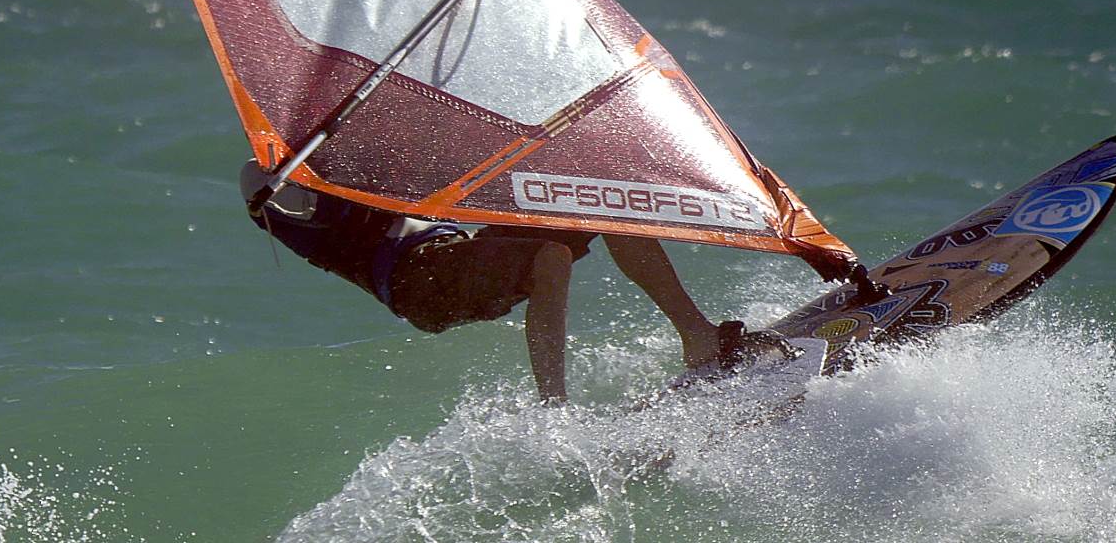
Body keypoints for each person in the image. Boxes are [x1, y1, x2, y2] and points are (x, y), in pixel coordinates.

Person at [240, 162, 751, 403]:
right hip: (417, 279)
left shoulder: (346, 148)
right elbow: (290, 203)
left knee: (603, 204)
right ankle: (554, 408)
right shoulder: (272, 180)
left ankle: (698, 337)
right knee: (549, 258)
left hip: (459, 250)